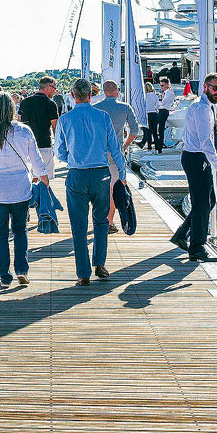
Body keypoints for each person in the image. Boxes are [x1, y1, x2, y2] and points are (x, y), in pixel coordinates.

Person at [0, 94, 47, 288]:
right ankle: (22, 270)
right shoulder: (24, 131)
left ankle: (5, 275)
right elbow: (37, 161)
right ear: (12, 109)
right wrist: (45, 182)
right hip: (20, 190)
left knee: (0, 234)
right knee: (20, 230)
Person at [55, 78, 126, 284]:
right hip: (101, 174)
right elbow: (115, 148)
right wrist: (121, 175)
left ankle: (83, 273)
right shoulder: (102, 117)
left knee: (78, 224)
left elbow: (59, 152)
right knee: (101, 220)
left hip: (77, 173)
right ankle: (100, 263)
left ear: (72, 95)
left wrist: (74, 158)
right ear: (90, 95)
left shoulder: (65, 120)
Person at [171, 72, 217, 263]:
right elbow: (205, 142)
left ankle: (182, 234)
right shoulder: (202, 109)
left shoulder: (204, 107)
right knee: (202, 203)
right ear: (205, 87)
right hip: (197, 159)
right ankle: (197, 247)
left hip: (195, 158)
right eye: (214, 88)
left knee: (207, 202)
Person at [94, 80, 138, 231]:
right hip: (116, 151)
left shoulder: (96, 108)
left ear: (104, 91)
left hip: (98, 152)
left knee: (99, 189)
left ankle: (98, 218)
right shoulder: (125, 107)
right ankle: (109, 221)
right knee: (113, 188)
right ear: (117, 91)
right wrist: (125, 145)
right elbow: (134, 130)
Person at [19, 76, 61, 181]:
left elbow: (19, 123)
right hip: (44, 144)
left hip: (26, 145)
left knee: (31, 178)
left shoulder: (25, 102)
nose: (55, 90)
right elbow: (55, 126)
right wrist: (58, 145)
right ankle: (43, 197)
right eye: (54, 87)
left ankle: (33, 197)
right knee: (45, 178)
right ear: (48, 87)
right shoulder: (51, 104)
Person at [156, 77, 175, 153]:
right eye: (161, 85)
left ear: (167, 85)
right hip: (161, 110)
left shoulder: (169, 93)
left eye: (163, 85)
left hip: (164, 111)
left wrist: (157, 101)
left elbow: (163, 103)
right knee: (158, 129)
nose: (161, 87)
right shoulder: (165, 93)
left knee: (161, 129)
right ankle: (158, 146)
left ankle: (159, 147)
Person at [141, 81, 159, 150]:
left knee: (148, 132)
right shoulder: (155, 96)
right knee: (155, 132)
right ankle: (157, 148)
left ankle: (149, 147)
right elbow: (157, 106)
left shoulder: (144, 96)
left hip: (147, 114)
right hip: (154, 114)